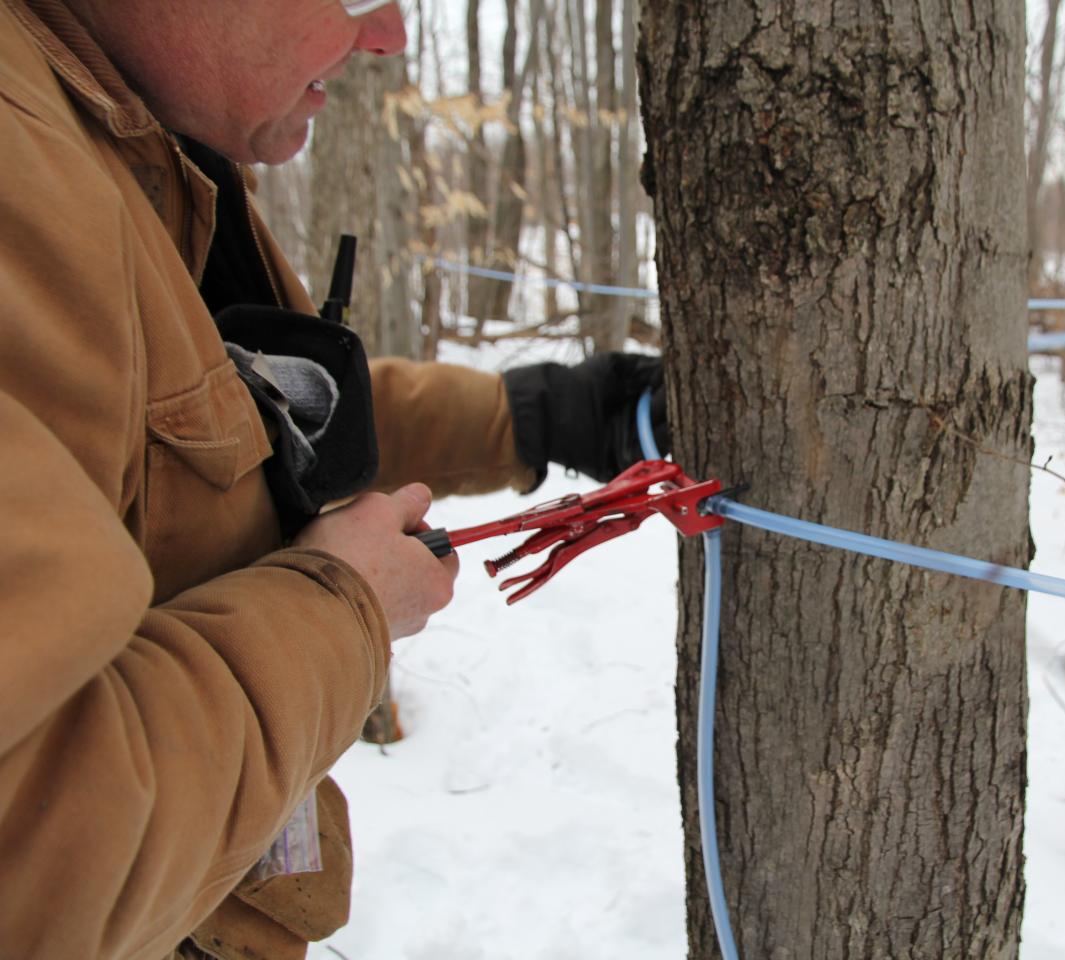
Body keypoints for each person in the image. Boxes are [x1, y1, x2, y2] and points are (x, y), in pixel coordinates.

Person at [0, 1, 666, 957]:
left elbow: (245, 415)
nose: (390, 35)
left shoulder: (125, 140)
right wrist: (339, 607)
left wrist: (536, 415)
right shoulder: (23, 179)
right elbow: (40, 840)